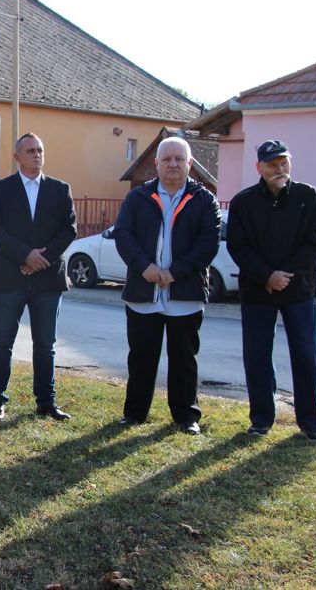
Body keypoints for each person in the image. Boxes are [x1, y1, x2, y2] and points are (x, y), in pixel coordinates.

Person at [113, 137, 221, 435]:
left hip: (185, 293)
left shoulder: (204, 200)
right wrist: (145, 267)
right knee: (141, 359)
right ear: (156, 164)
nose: (173, 164)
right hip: (143, 292)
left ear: (190, 164)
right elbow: (123, 235)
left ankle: (186, 417)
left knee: (184, 359)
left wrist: (175, 272)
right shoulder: (137, 197)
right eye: (167, 159)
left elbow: (208, 244)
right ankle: (134, 414)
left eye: (179, 159)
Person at [226, 140, 316, 443]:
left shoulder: (308, 197)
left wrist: (284, 274)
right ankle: (261, 419)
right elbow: (238, 246)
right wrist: (267, 275)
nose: (279, 169)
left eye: (283, 162)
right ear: (259, 168)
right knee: (257, 354)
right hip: (258, 291)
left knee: (306, 354)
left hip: (299, 290)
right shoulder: (243, 202)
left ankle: (311, 423)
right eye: (272, 164)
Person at [0, 133, 77, 422]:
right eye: (30, 151)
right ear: (17, 157)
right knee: (2, 343)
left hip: (48, 280)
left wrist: (41, 260)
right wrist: (25, 255)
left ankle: (46, 402)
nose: (37, 155)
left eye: (40, 150)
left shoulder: (60, 189)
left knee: (46, 345)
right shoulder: (0, 189)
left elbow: (70, 229)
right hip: (8, 278)